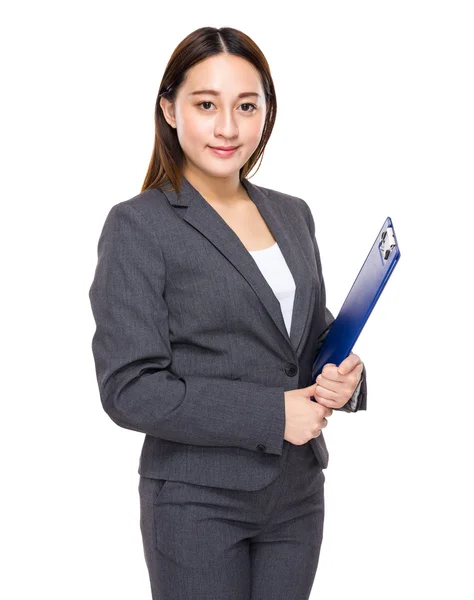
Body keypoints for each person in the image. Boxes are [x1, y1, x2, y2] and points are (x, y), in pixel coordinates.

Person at [89, 25, 367, 600]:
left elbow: (306, 342)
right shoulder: (138, 226)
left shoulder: (293, 215)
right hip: (197, 502)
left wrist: (344, 381)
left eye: (247, 105)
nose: (228, 127)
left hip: (296, 496)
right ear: (169, 109)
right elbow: (130, 390)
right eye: (206, 104)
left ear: (267, 111)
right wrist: (272, 415)